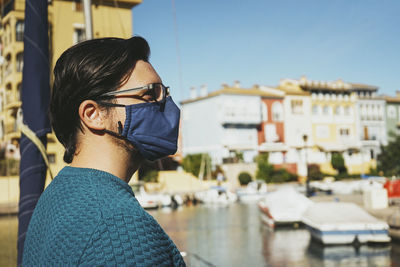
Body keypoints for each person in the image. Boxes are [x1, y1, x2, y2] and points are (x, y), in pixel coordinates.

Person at [22, 37, 185, 266]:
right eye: (151, 94)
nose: (167, 105)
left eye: (165, 93)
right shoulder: (120, 228)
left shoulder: (56, 196)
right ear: (93, 114)